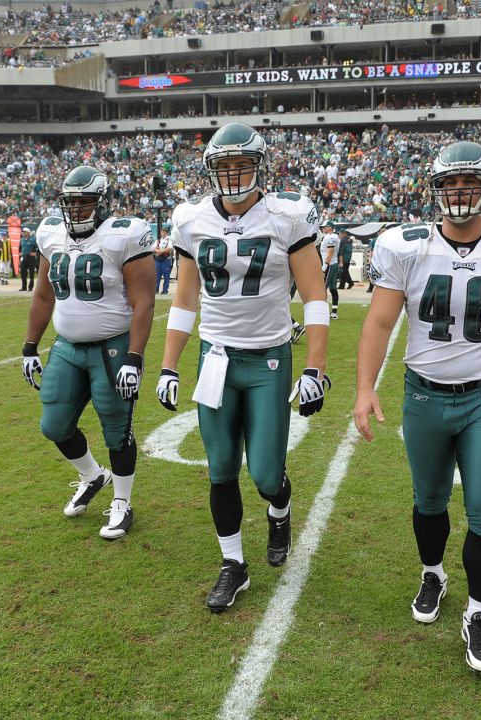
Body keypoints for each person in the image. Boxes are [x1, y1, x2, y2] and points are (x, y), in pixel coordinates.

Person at [353, 140, 481, 675]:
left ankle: (480, 614)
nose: (459, 192)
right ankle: (433, 573)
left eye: (469, 182)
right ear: (436, 189)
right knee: (429, 502)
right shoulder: (406, 245)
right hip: (423, 394)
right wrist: (364, 387)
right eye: (450, 183)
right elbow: (378, 322)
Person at [155, 121, 331, 613]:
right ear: (212, 169)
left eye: (242, 165)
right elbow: (184, 299)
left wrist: (314, 370)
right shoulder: (192, 220)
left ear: (260, 167)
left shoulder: (285, 217)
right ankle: (233, 564)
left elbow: (315, 297)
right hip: (215, 358)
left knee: (267, 474)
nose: (233, 176)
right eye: (225, 167)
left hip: (270, 358)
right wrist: (169, 366)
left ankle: (281, 508)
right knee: (221, 469)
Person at [23, 165, 156, 540]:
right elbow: (44, 294)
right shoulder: (51, 233)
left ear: (103, 202)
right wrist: (30, 346)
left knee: (116, 428)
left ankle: (122, 502)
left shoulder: (124, 235)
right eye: (71, 202)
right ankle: (92, 474)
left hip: (112, 346)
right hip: (66, 347)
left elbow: (143, 302)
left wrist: (134, 357)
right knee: (54, 425)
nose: (77, 209)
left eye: (85, 202)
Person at [320, 222, 342, 318]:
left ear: (330, 227)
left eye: (325, 226)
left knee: (322, 288)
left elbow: (329, 253)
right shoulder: (333, 236)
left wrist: (323, 269)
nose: (323, 228)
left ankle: (322, 312)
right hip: (333, 263)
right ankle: (334, 312)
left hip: (330, 264)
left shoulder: (330, 237)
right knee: (333, 289)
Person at [17, 227, 38, 292]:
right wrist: (20, 253)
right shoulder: (22, 240)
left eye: (24, 232)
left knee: (31, 272)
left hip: (31, 257)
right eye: (23, 232)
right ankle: (24, 287)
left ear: (28, 233)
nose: (23, 233)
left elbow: (38, 247)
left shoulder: (33, 239)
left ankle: (30, 287)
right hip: (24, 257)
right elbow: (20, 248)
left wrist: (35, 253)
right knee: (23, 272)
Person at [153, 229, 173, 294]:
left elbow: (170, 248)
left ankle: (165, 290)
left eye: (165, 233)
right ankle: (156, 290)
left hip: (166, 260)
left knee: (166, 276)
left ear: (167, 234)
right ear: (161, 233)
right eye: (162, 233)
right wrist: (157, 251)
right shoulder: (158, 241)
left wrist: (161, 251)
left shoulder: (169, 240)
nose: (163, 234)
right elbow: (152, 248)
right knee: (157, 276)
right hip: (158, 260)